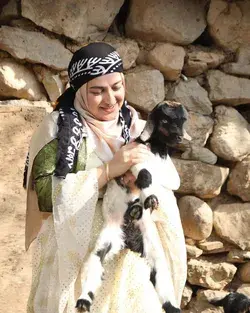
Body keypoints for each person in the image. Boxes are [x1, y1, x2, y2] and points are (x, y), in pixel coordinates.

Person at [24, 42, 187, 313]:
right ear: (79, 90)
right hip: (76, 257)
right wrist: (108, 171)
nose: (110, 99)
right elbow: (42, 195)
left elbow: (168, 179)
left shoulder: (131, 122)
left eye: (116, 87)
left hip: (129, 258)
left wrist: (140, 181)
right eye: (97, 91)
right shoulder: (57, 129)